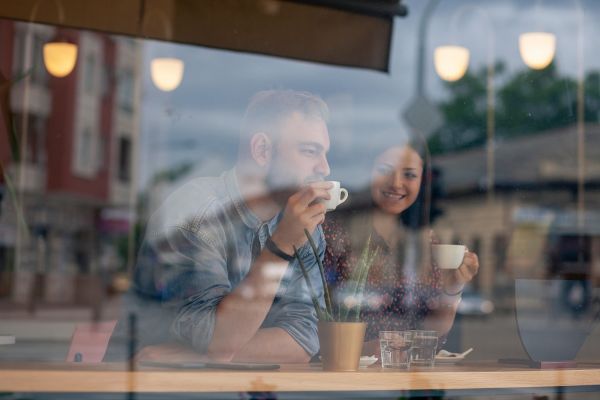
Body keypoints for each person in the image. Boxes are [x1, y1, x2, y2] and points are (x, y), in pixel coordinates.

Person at [108, 90, 333, 363]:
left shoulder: (302, 227)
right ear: (262, 150)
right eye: (310, 151)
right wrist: (280, 247)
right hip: (147, 390)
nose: (325, 168)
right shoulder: (195, 213)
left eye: (325, 154)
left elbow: (305, 337)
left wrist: (192, 358)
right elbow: (217, 337)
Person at [323, 131, 480, 355]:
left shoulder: (428, 243)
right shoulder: (337, 233)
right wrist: (365, 349)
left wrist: (454, 285)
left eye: (409, 175)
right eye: (385, 171)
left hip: (405, 376)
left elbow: (432, 333)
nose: (396, 183)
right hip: (343, 378)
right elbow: (312, 327)